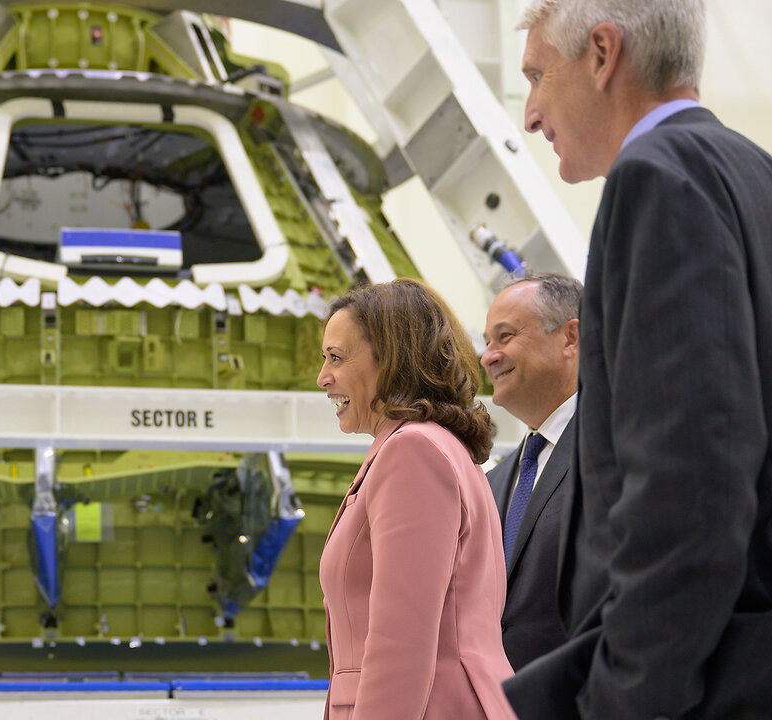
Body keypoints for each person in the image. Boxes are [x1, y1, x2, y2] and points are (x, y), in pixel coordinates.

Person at [506, 1, 772, 718]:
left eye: (537, 75)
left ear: (601, 54)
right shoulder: (751, 173)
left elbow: (691, 484)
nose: (530, 113)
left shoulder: (657, 178)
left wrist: (627, 698)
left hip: (699, 685)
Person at [317, 278, 514, 719]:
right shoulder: (437, 447)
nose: (322, 378)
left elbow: (401, 643)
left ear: (390, 360)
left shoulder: (413, 452)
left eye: (336, 357)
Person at [481, 273, 580, 670]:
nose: (488, 356)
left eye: (504, 337)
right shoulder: (493, 484)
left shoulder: (622, 449)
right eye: (487, 343)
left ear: (570, 338)